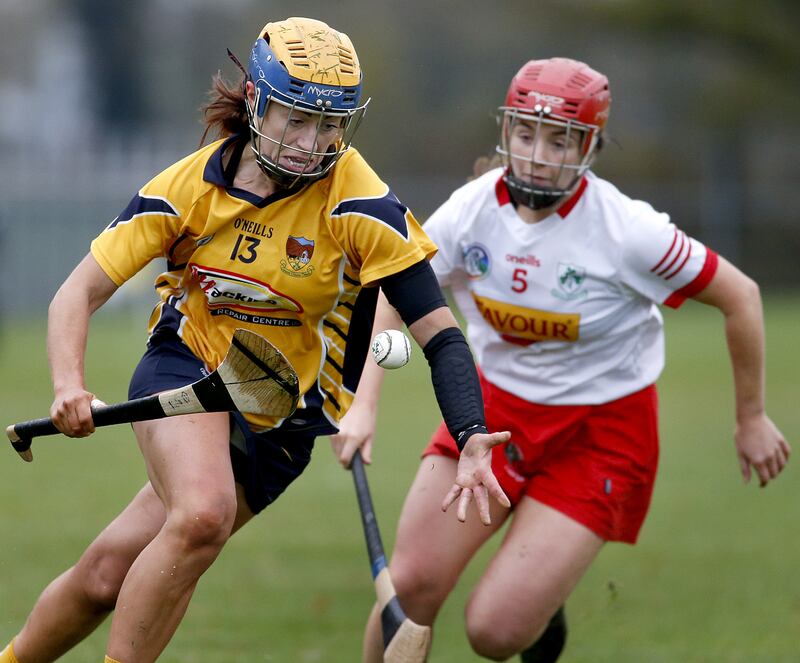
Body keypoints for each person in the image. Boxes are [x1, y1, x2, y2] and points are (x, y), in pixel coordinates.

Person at [0, 17, 510, 663]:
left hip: (287, 415)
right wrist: (68, 382)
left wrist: (469, 435)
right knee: (204, 513)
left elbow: (440, 335)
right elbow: (76, 295)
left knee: (108, 573)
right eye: (296, 119)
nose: (311, 142)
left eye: (330, 125)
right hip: (189, 364)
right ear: (255, 103)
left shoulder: (363, 203)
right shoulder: (185, 188)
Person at [330, 57, 791, 662]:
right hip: (490, 413)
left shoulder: (629, 231)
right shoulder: (471, 209)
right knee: (411, 588)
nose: (540, 154)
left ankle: (540, 604)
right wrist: (363, 404)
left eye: (561, 139)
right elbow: (396, 291)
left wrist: (751, 416)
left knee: (493, 633)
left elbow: (742, 297)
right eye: (527, 133)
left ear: (590, 146)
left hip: (601, 432)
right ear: (506, 132)